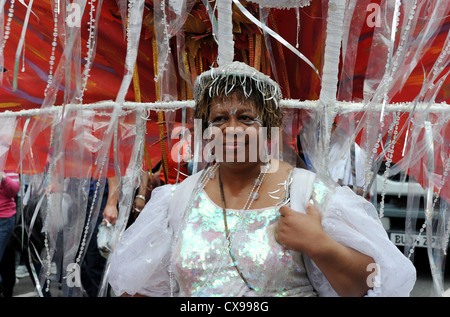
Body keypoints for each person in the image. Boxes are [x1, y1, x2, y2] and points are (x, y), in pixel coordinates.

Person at [107, 61, 416, 297]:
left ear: (268, 128)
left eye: (245, 117)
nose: (231, 129)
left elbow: (373, 282)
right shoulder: (175, 201)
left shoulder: (307, 195)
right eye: (218, 119)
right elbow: (142, 287)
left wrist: (321, 245)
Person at [0, 170, 20, 296]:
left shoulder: (8, 162)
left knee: (7, 259)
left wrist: (2, 177)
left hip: (4, 220)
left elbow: (14, 190)